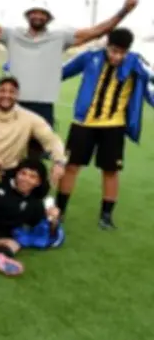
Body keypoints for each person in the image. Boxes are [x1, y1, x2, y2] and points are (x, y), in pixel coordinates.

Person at [0, 0, 141, 155]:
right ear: (28, 15)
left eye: (42, 13)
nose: (38, 15)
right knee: (5, 151)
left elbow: (96, 32)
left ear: (48, 18)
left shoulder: (60, 37)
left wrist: (124, 11)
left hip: (43, 106)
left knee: (36, 156)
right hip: (13, 103)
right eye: (34, 12)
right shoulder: (12, 35)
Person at [56, 28, 154, 229]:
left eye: (122, 52)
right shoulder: (90, 57)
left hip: (114, 126)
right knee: (71, 166)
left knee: (111, 170)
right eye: (114, 51)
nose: (117, 56)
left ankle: (106, 216)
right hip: (83, 123)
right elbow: (60, 72)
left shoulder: (136, 63)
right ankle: (59, 210)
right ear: (107, 46)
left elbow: (150, 86)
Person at [0, 159, 61, 276]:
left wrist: (53, 218)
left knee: (15, 243)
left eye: (32, 177)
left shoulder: (35, 204)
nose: (26, 179)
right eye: (23, 173)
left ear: (38, 182)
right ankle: (1, 257)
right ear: (16, 174)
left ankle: (0, 258)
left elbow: (46, 230)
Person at [0, 75, 66, 176]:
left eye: (12, 92)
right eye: (2, 91)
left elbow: (51, 139)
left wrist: (59, 161)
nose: (6, 95)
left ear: (17, 95)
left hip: (9, 171)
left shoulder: (28, 118)